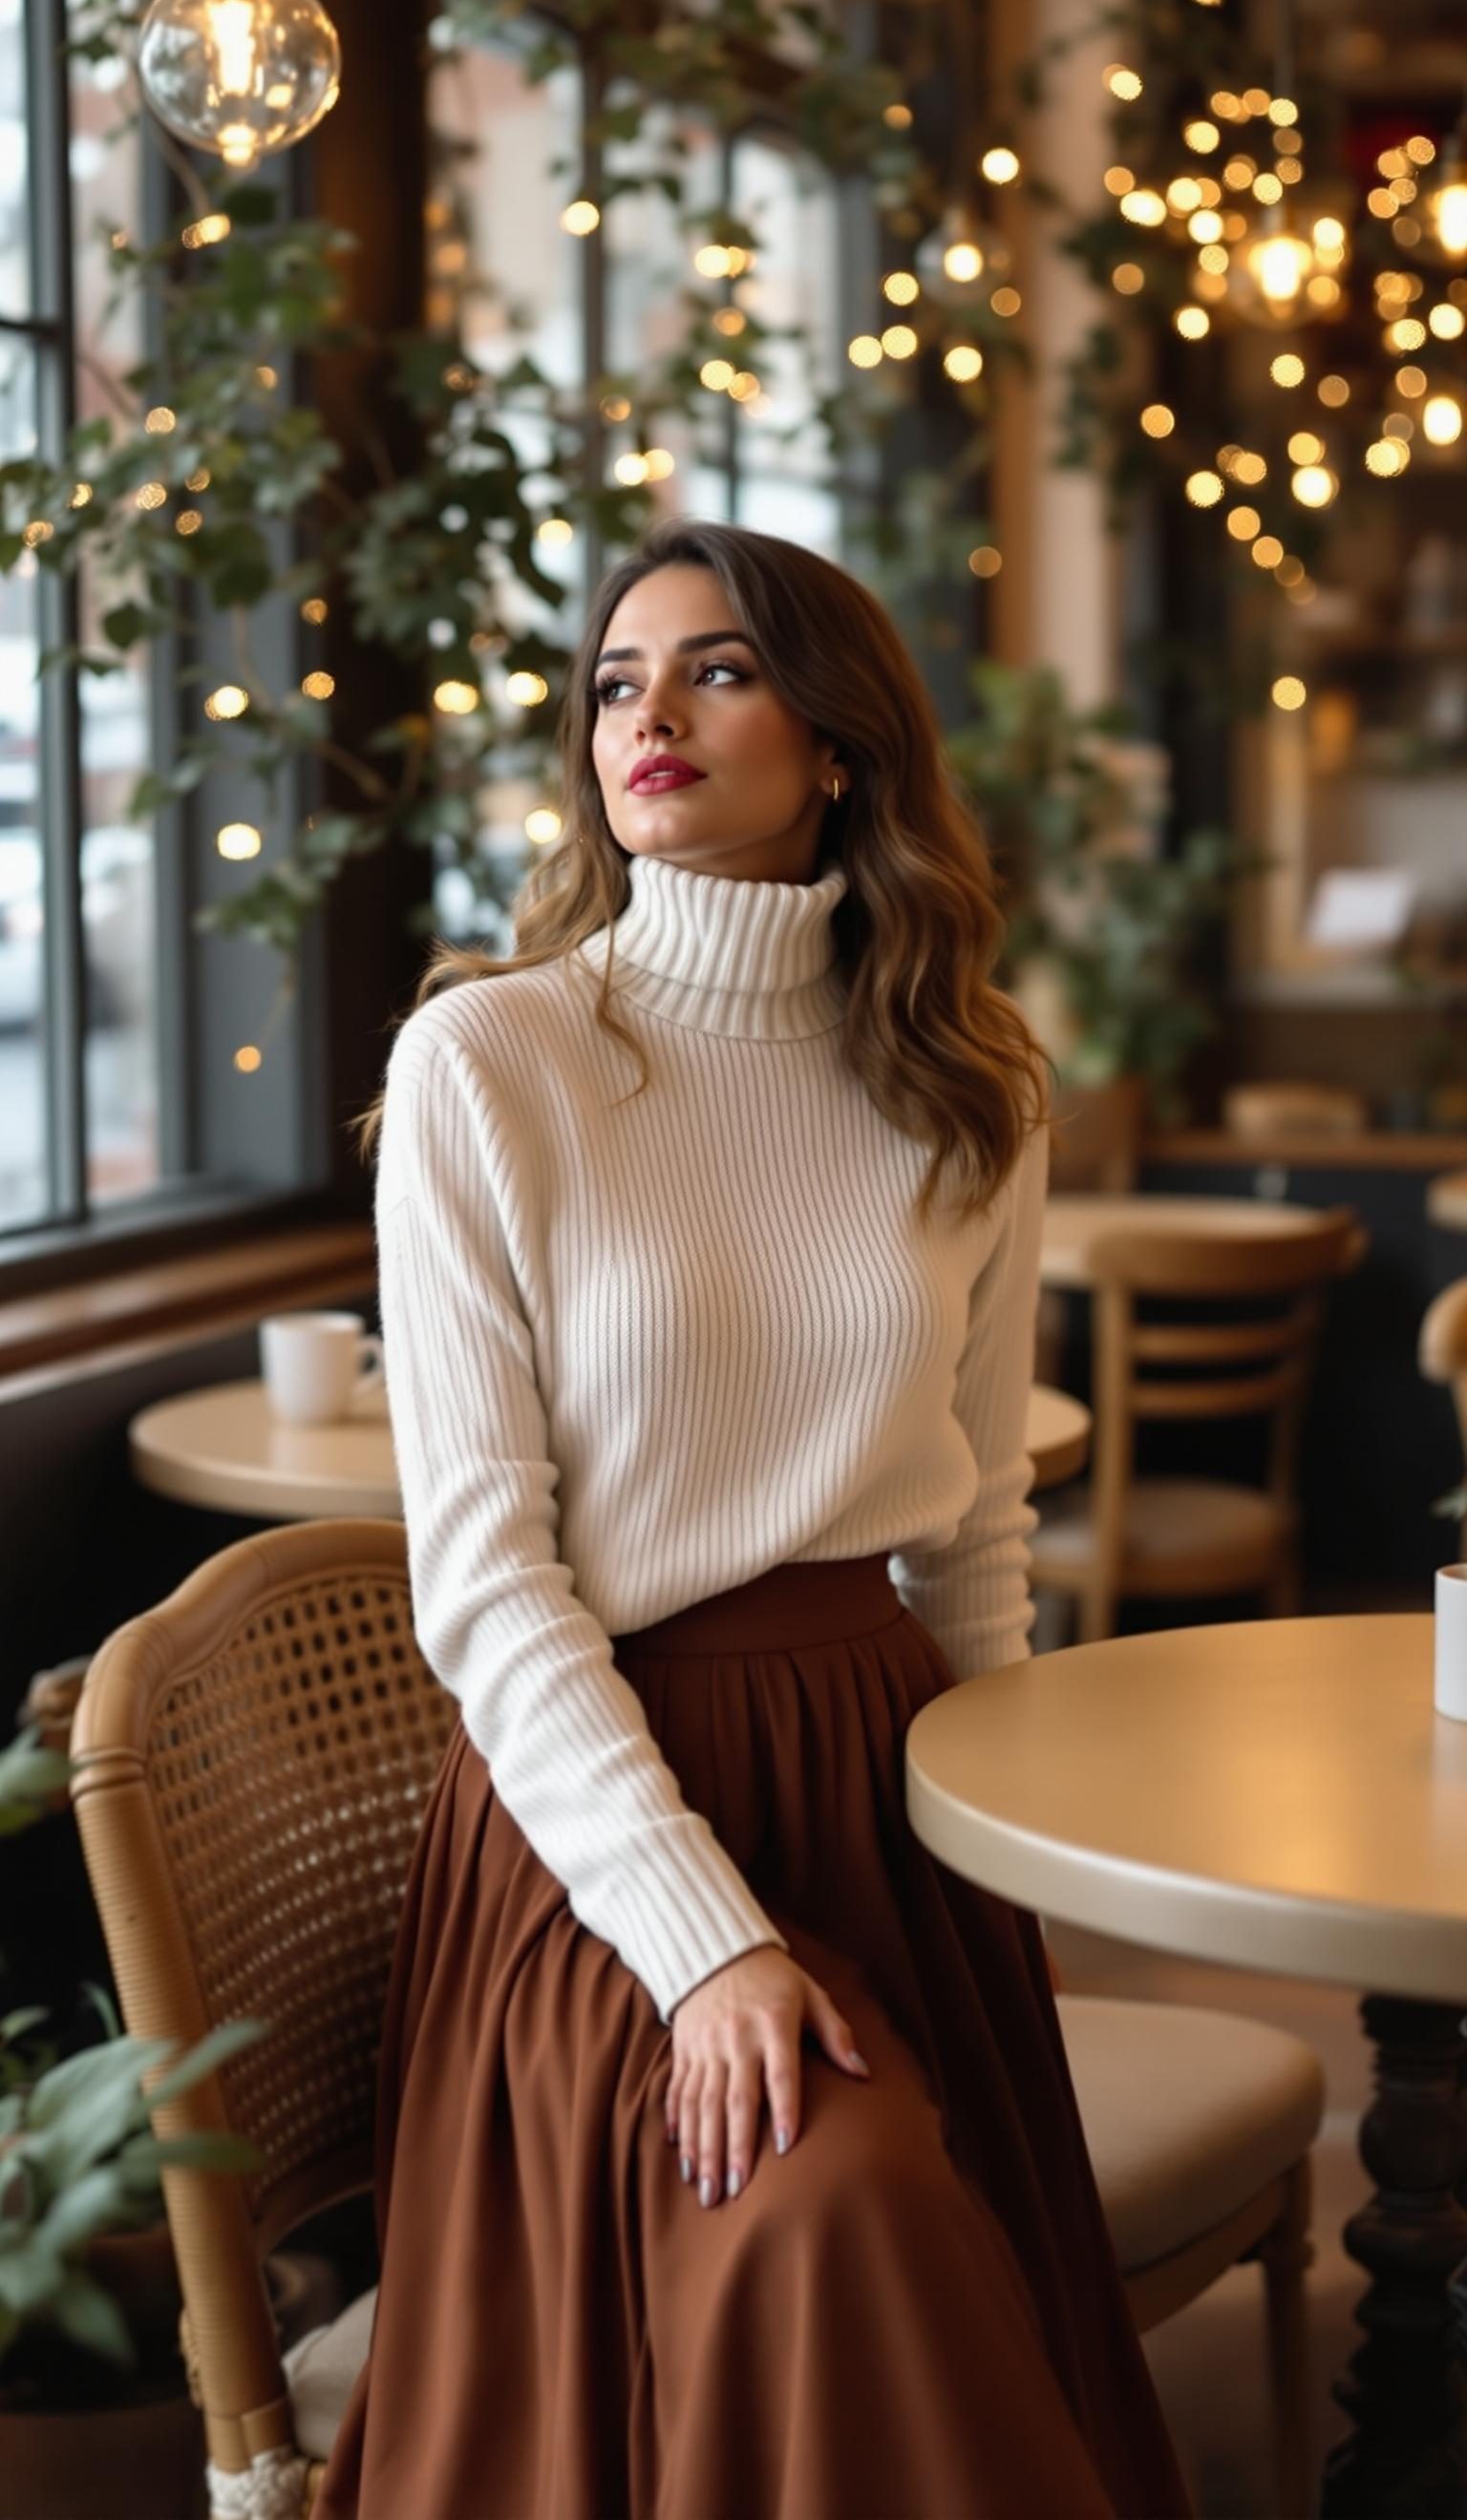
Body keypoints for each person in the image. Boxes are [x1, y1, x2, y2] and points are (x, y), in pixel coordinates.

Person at [315, 519, 1189, 2520]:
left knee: (920, 2214)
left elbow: (976, 1540)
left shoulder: (969, 1082)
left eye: (714, 670)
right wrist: (703, 1948)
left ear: (843, 744)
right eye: (618, 682)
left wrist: (1007, 1877)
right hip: (604, 1805)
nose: (651, 715)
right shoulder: (492, 1059)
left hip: (892, 1772)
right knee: (831, 2205)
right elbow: (487, 1586)